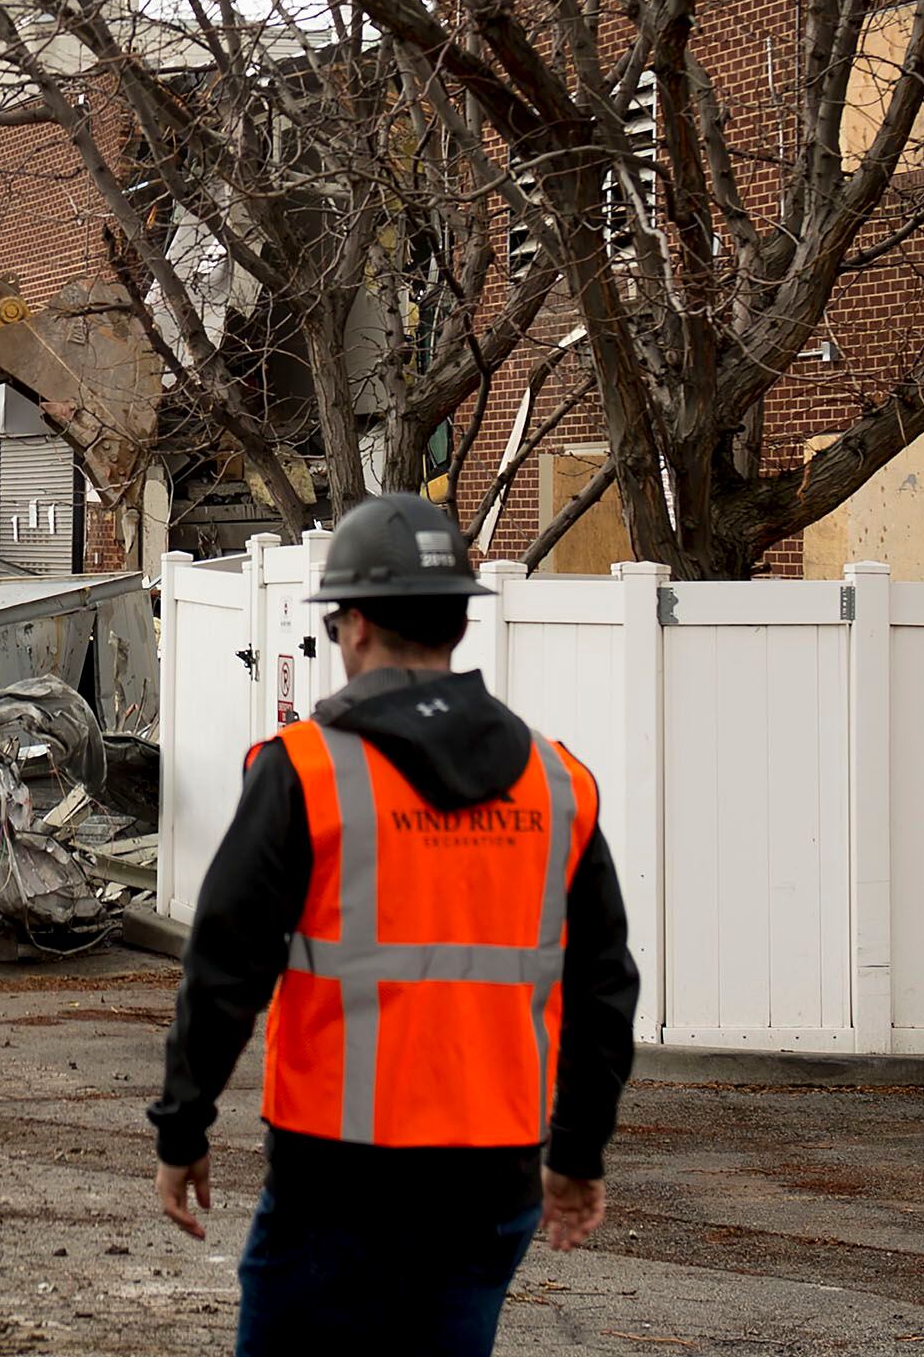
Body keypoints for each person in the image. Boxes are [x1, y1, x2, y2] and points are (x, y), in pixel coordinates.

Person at [147, 493, 639, 1355]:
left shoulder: (305, 769)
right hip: (495, 1173)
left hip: (337, 1171)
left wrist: (184, 1126)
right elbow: (604, 988)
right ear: (458, 623)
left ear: (357, 625)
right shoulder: (556, 783)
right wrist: (578, 1153)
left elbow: (226, 964)